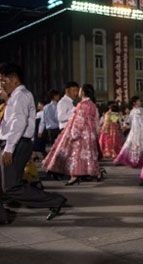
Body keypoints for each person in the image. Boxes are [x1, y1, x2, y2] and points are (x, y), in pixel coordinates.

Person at [0, 63, 67, 222]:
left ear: (14, 79)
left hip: (17, 144)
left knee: (11, 187)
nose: (1, 84)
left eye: (3, 81)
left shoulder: (21, 96)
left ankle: (55, 200)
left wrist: (9, 148)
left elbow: (19, 123)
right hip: (12, 142)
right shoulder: (13, 97)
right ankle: (3, 215)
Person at [43, 84, 102, 186]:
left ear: (82, 92)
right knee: (89, 155)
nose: (78, 92)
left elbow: (79, 121)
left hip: (81, 134)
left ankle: (74, 176)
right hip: (90, 134)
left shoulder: (81, 105)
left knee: (76, 155)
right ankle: (96, 173)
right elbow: (96, 121)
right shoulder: (92, 105)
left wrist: (73, 134)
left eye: (79, 90)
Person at [113, 96, 143, 168]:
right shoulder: (141, 109)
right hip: (142, 130)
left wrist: (125, 124)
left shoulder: (132, 111)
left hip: (135, 130)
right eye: (139, 101)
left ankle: (134, 160)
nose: (140, 102)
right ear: (135, 102)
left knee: (132, 143)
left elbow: (129, 121)